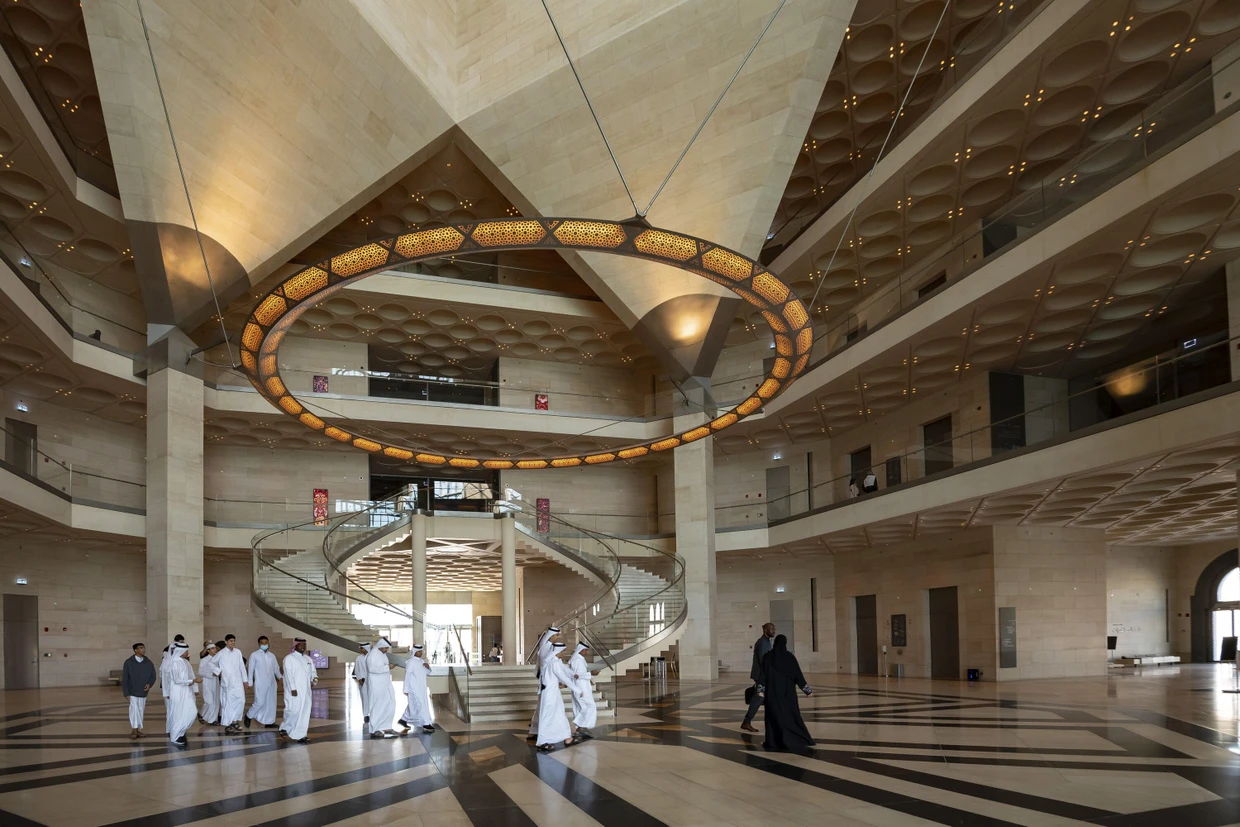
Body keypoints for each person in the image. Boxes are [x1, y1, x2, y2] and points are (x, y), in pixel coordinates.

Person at [760, 634, 814, 752]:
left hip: (772, 694)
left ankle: (774, 741)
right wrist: (807, 691)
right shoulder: (790, 657)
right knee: (791, 715)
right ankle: (795, 738)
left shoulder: (767, 657)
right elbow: (798, 675)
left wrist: (760, 691)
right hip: (787, 694)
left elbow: (762, 676)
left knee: (774, 717)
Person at [535, 641, 579, 752]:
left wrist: (573, 674)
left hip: (553, 691)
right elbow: (562, 676)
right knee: (548, 716)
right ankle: (542, 741)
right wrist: (576, 689)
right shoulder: (553, 662)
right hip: (550, 693)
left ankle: (567, 737)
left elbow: (564, 670)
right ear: (557, 651)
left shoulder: (554, 660)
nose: (564, 653)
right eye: (563, 651)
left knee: (559, 714)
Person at [280, 638, 318, 743]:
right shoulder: (289, 658)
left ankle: (301, 735)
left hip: (306, 691)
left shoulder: (308, 659)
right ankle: (284, 728)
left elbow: (313, 672)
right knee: (293, 710)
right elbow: (288, 674)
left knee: (305, 712)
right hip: (294, 691)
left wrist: (314, 680)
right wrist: (293, 688)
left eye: (304, 644)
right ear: (295, 646)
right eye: (300, 644)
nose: (302, 646)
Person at [527, 626, 560, 740]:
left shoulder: (545, 646)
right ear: (551, 636)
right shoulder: (548, 647)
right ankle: (543, 733)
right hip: (547, 681)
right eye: (556, 635)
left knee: (541, 706)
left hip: (545, 681)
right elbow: (548, 665)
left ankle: (534, 731)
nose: (558, 637)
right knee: (545, 707)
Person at [741, 623, 776, 733]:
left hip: (763, 676)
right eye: (771, 629)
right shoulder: (762, 643)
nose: (774, 630)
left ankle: (771, 723)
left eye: (774, 628)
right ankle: (746, 722)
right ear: (765, 629)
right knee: (758, 699)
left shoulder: (766, 642)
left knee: (766, 699)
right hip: (762, 677)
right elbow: (764, 661)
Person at [166, 642, 202, 747]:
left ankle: (181, 732)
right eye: (186, 651)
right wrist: (192, 680)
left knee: (192, 712)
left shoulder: (186, 662)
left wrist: (193, 684)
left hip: (186, 690)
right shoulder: (174, 663)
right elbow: (177, 680)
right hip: (177, 691)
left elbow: (191, 675)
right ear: (180, 651)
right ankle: (175, 736)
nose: (188, 653)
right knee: (178, 714)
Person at [363, 638, 398, 737]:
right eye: (385, 648)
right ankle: (375, 729)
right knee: (377, 706)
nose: (386, 650)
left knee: (390, 703)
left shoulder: (382, 654)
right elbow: (372, 669)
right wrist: (388, 667)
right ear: (380, 646)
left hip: (385, 683)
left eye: (387, 648)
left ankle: (386, 727)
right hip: (376, 685)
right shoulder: (372, 655)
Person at [121, 643, 156, 739]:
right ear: (135, 650)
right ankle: (134, 729)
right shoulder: (129, 662)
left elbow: (153, 676)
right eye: (140, 648)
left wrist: (149, 684)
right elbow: (124, 678)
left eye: (143, 647)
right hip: (132, 691)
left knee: (140, 709)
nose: (143, 649)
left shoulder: (148, 662)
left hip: (143, 691)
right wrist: (126, 692)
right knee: (134, 709)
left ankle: (138, 729)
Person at [246, 636, 282, 729]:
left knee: (271, 702)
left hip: (272, 683)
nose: (264, 644)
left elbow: (276, 669)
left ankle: (269, 722)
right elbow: (251, 669)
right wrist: (250, 682)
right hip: (260, 683)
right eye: (262, 642)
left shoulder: (272, 656)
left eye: (266, 642)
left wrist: (280, 677)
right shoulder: (254, 655)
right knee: (260, 702)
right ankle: (248, 716)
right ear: (259, 644)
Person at [398, 644, 435, 733]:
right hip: (413, 688)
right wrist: (405, 689)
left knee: (414, 704)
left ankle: (403, 719)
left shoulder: (421, 661)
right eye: (418, 651)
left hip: (421, 687)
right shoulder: (411, 662)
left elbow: (427, 673)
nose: (420, 653)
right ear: (414, 652)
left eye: (421, 651)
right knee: (420, 704)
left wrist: (428, 667)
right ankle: (426, 724)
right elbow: (407, 676)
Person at [216, 634, 248, 734]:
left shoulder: (238, 652)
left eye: (234, 641)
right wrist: (219, 672)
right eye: (230, 641)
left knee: (241, 701)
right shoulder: (221, 653)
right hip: (227, 682)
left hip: (238, 681)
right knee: (228, 703)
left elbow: (242, 666)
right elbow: (211, 663)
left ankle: (235, 721)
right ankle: (228, 723)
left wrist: (245, 680)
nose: (233, 642)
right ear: (226, 642)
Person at [567, 642, 597, 738]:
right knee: (588, 706)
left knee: (582, 707)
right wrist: (590, 674)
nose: (587, 652)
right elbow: (576, 675)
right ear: (581, 650)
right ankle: (580, 727)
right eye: (585, 650)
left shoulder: (579, 659)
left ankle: (581, 728)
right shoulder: (577, 660)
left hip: (582, 686)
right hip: (580, 687)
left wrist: (590, 675)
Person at [198, 641, 223, 726]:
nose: (214, 650)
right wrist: (210, 674)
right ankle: (202, 714)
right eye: (212, 648)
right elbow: (200, 672)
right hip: (207, 682)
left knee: (216, 701)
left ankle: (212, 720)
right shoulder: (204, 660)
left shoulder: (218, 659)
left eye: (215, 648)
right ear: (208, 650)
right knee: (209, 701)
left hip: (216, 682)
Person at [353, 642, 371, 723]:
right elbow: (357, 670)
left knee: (373, 698)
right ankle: (366, 715)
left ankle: (373, 713)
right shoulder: (359, 658)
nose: (360, 650)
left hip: (372, 681)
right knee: (364, 698)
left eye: (362, 648)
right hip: (363, 681)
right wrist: (359, 678)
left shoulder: (372, 657)